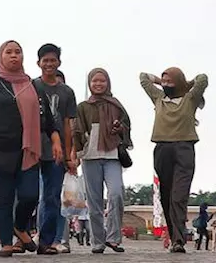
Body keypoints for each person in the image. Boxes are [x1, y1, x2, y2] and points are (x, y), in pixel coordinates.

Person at [0, 40, 62, 258]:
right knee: (4, 197)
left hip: (28, 151)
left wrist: (56, 142)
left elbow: (48, 121)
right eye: (9, 52)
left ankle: (20, 226)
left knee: (30, 196)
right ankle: (6, 242)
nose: (14, 56)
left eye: (18, 52)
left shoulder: (34, 87)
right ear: (1, 57)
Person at [141, 67, 208, 254]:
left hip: (184, 149)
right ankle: (173, 235)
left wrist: (186, 84)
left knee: (178, 196)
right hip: (162, 149)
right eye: (163, 81)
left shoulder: (190, 99)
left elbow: (203, 79)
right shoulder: (159, 97)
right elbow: (143, 77)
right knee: (166, 195)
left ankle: (178, 240)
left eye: (170, 81)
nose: (166, 84)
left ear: (179, 82)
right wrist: (158, 81)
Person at [72, 67, 131, 255]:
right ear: (89, 83)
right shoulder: (82, 106)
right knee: (94, 201)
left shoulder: (116, 105)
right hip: (90, 156)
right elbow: (77, 131)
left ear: (108, 83)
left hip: (113, 155)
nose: (98, 84)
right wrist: (77, 153)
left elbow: (127, 126)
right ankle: (97, 241)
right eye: (94, 81)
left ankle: (113, 238)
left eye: (102, 81)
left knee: (116, 194)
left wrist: (120, 128)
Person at [32, 45, 78, 256]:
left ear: (58, 62)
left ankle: (47, 240)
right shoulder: (32, 86)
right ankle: (20, 236)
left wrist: (70, 154)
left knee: (51, 197)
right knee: (27, 195)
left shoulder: (67, 92)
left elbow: (68, 125)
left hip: (57, 152)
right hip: (33, 147)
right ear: (39, 63)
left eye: (53, 60)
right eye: (45, 60)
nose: (49, 64)